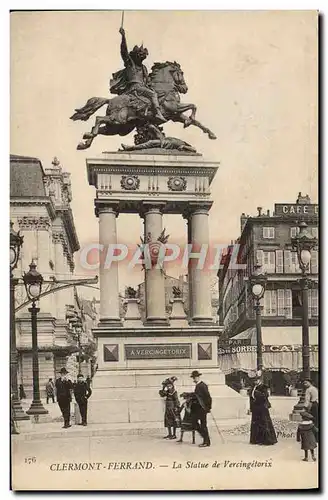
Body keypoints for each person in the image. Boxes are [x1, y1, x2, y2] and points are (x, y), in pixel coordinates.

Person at [110, 27, 166, 123]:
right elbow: (124, 51)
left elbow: (147, 81)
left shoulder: (143, 68)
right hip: (134, 88)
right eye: (140, 55)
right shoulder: (130, 64)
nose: (142, 57)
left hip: (142, 88)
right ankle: (157, 113)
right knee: (153, 94)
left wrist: (151, 85)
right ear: (135, 55)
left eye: (143, 56)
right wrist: (123, 36)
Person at [249, 375, 277, 446]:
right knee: (256, 423)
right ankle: (257, 440)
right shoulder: (253, 388)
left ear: (260, 380)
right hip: (255, 408)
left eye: (257, 380)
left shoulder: (264, 387)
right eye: (254, 380)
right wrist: (251, 408)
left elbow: (265, 396)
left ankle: (267, 440)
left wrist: (256, 393)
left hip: (262, 407)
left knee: (264, 423)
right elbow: (251, 399)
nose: (255, 382)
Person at [190, 370, 212, 448]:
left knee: (203, 425)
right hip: (197, 409)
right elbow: (197, 395)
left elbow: (208, 397)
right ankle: (205, 438)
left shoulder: (202, 385)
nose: (194, 379)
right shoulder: (198, 385)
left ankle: (206, 441)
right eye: (193, 377)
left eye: (195, 377)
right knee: (194, 423)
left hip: (202, 409)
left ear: (198, 377)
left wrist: (208, 408)